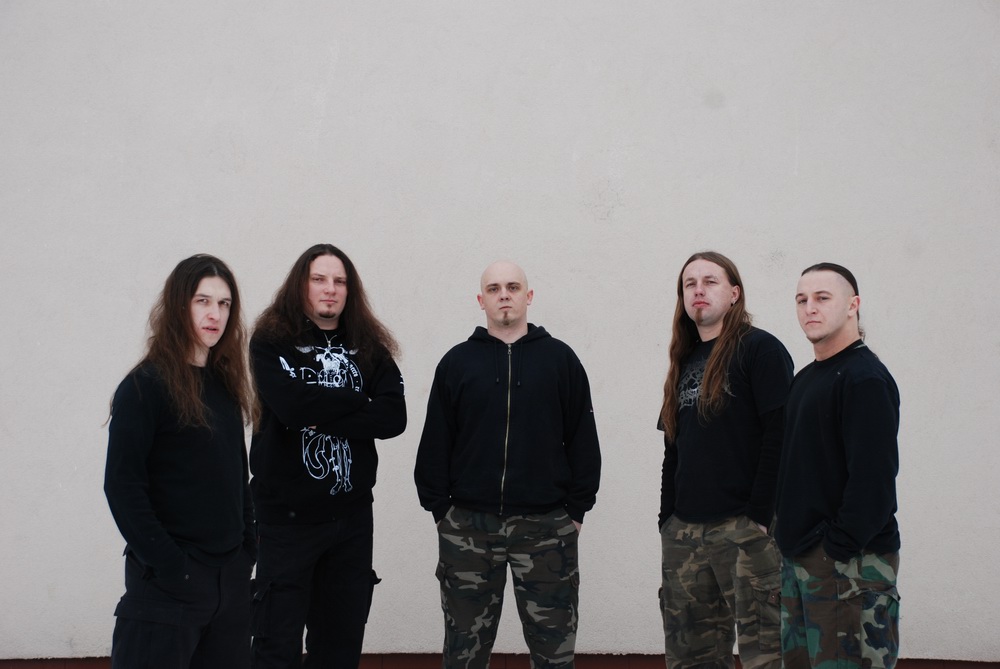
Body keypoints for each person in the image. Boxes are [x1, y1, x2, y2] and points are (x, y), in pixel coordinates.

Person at [414, 260, 601, 669]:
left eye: (513, 287)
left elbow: (583, 440)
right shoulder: (457, 363)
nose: (504, 295)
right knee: (464, 654)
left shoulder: (560, 360)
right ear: (480, 300)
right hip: (468, 529)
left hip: (546, 528)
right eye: (494, 288)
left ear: (528, 296)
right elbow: (435, 444)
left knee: (554, 655)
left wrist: (575, 511)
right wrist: (442, 511)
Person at [249, 243, 406, 669]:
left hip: (351, 520)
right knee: (276, 645)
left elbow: (394, 416)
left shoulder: (368, 346)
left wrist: (321, 411)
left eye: (339, 281)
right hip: (287, 522)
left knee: (339, 646)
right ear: (300, 285)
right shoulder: (271, 340)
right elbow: (291, 407)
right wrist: (357, 400)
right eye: (319, 279)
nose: (330, 289)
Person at [105, 254, 257, 668]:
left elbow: (237, 477)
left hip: (229, 588)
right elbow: (122, 486)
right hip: (167, 592)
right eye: (202, 301)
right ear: (178, 306)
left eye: (224, 304)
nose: (215, 314)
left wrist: (247, 550)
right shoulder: (145, 386)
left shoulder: (224, 385)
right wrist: (172, 567)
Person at [657, 251, 792, 669]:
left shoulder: (761, 350)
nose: (698, 289)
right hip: (685, 535)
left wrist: (759, 516)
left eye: (710, 281)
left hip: (744, 530)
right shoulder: (684, 359)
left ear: (734, 293)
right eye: (690, 283)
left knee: (767, 655)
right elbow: (673, 448)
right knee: (690, 658)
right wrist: (667, 519)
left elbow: (780, 436)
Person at [775, 263, 901, 669]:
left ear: (853, 305)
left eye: (822, 298)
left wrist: (836, 550)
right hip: (801, 560)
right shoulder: (806, 379)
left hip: (848, 563)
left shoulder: (864, 379)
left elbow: (874, 482)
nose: (809, 308)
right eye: (801, 300)